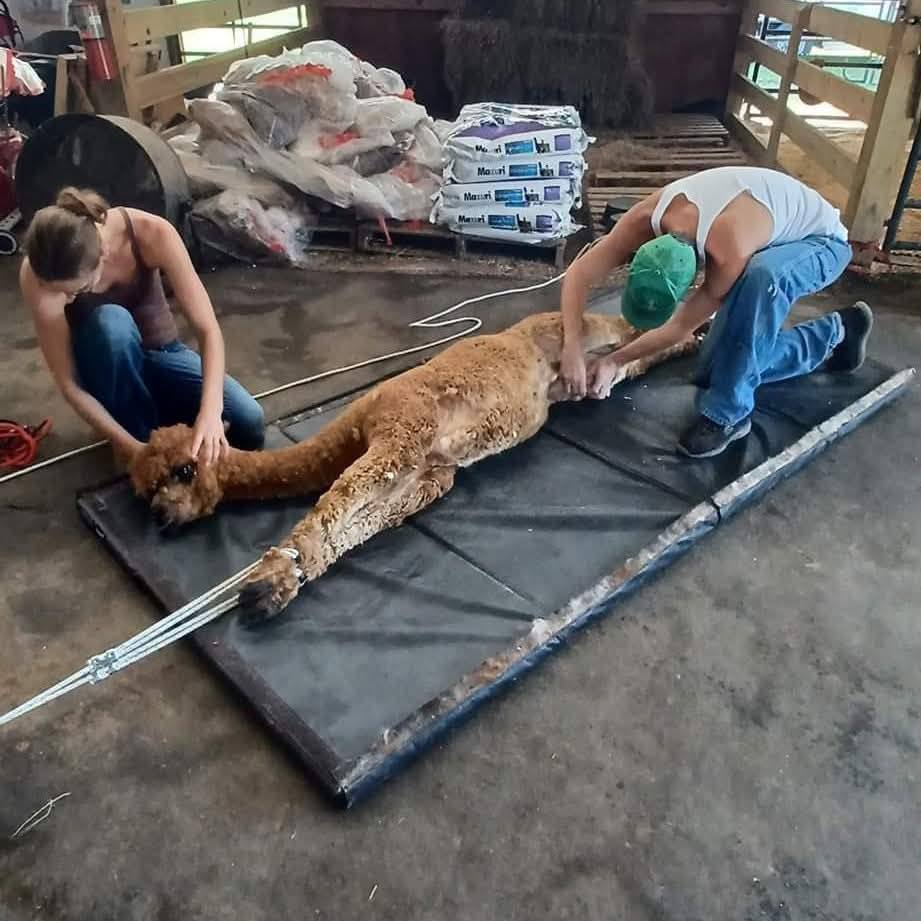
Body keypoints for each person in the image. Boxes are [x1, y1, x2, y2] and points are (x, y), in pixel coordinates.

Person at [559, 166, 873, 458]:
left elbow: (682, 326)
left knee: (762, 278)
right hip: (761, 229)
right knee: (713, 372)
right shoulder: (643, 217)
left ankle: (730, 414)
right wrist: (571, 346)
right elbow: (579, 274)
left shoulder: (727, 248)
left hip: (821, 243)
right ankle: (842, 330)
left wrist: (616, 361)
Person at [20, 187, 265, 465]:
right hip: (105, 371)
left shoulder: (151, 233)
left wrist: (210, 413)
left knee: (249, 423)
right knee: (111, 324)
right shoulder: (39, 273)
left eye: (78, 290)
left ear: (104, 254)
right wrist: (132, 448)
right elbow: (69, 382)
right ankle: (136, 427)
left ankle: (160, 413)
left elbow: (208, 331)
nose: (65, 300)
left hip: (163, 354)